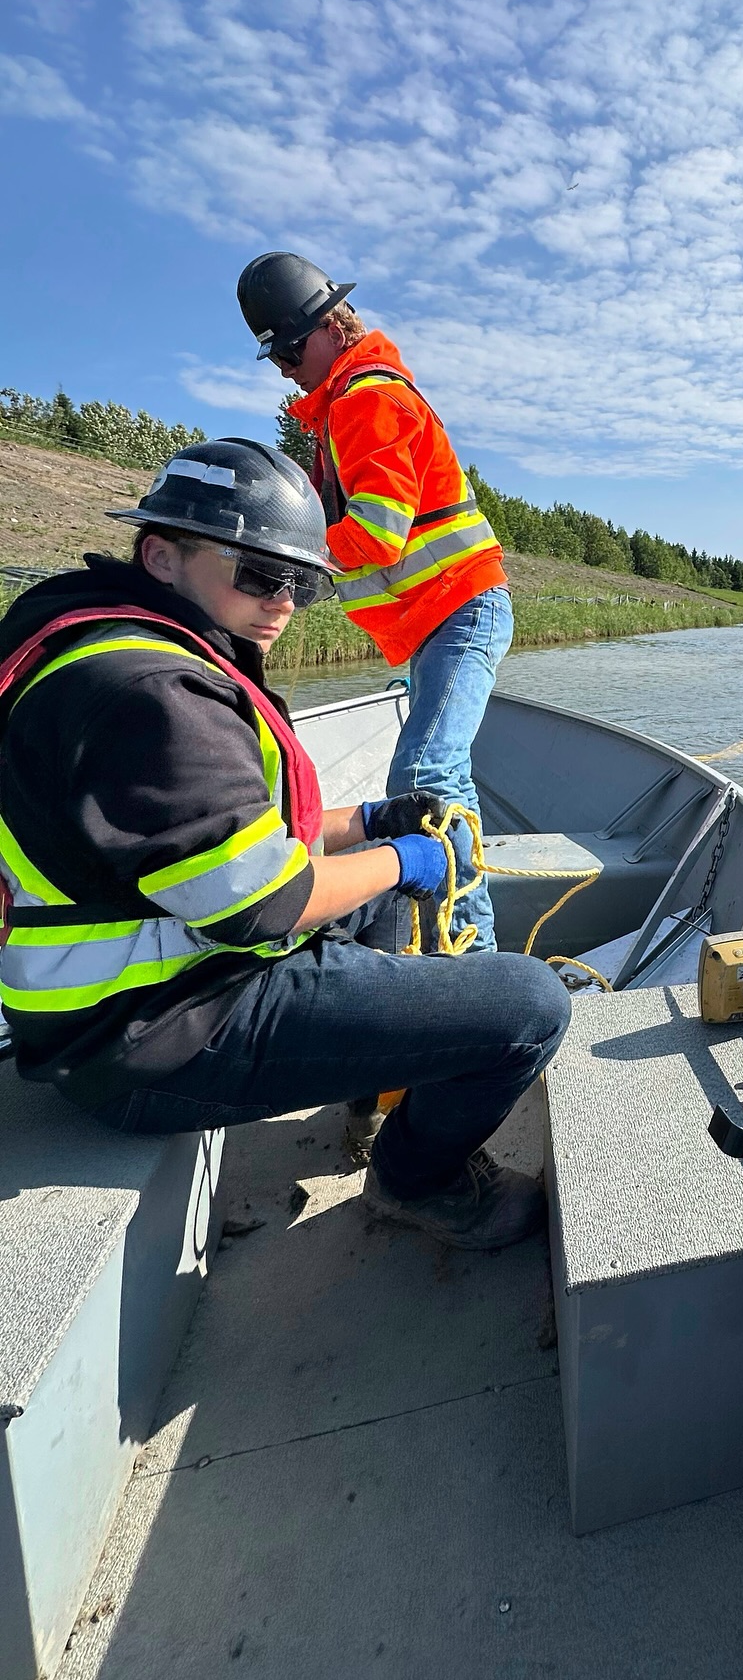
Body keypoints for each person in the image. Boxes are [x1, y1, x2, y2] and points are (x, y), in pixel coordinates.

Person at [0, 439, 570, 1252]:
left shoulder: (121, 653)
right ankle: (420, 1181)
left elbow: (228, 839)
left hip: (135, 1001)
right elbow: (263, 903)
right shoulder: (151, 693)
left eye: (302, 582)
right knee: (530, 1006)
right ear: (161, 556)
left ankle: (367, 1094)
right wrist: (410, 860)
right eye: (260, 575)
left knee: (373, 896)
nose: (285, 603)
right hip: (151, 1037)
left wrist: (370, 823)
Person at [237, 253, 510, 953]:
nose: (285, 366)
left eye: (290, 348)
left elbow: (379, 534)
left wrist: (294, 556)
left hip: (460, 610)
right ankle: (461, 931)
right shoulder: (343, 405)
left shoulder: (366, 400)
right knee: (440, 770)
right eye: (274, 357)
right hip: (434, 622)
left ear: (330, 327)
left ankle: (467, 950)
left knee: (425, 774)